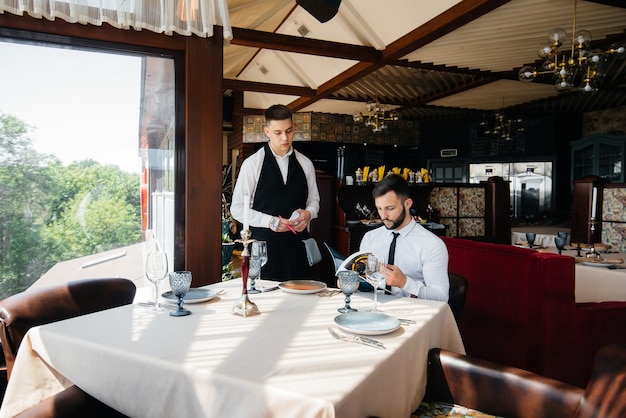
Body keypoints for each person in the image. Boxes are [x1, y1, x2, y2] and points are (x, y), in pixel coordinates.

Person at [231, 104, 320, 281]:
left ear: (294, 128)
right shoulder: (253, 163)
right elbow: (238, 208)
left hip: (298, 250)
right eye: (278, 132)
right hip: (264, 253)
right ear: (267, 131)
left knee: (300, 305)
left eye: (289, 131)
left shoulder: (306, 164)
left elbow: (314, 200)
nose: (285, 138)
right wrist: (269, 221)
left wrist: (309, 214)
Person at [359, 174, 449, 301]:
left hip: (413, 313)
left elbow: (441, 298)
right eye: (379, 208)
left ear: (407, 204)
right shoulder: (370, 238)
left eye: (390, 208)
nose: (383, 216)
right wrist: (352, 282)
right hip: (372, 309)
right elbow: (364, 280)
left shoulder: (431, 244)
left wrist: (405, 283)